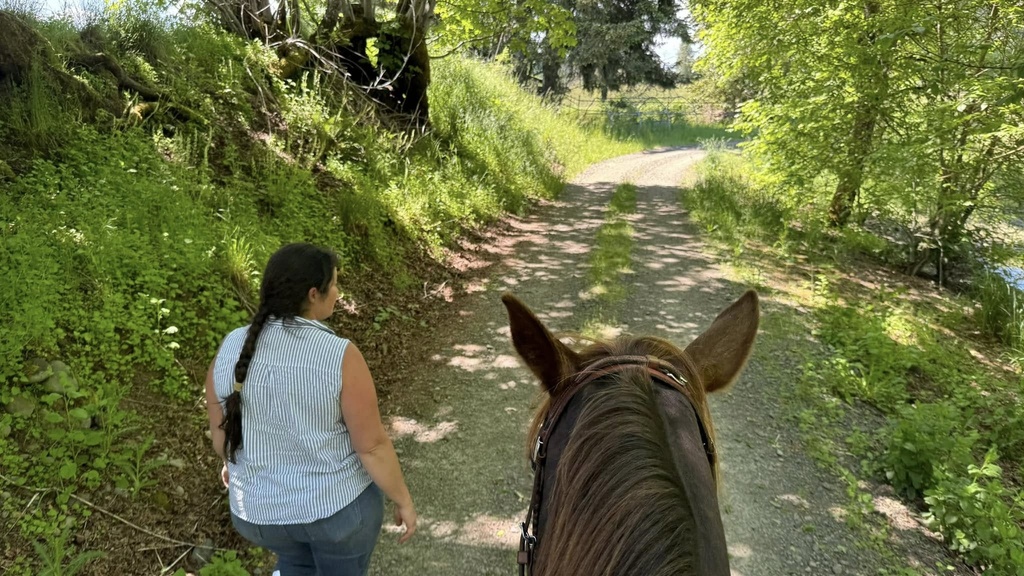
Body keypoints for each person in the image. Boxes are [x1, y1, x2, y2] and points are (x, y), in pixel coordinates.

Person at [204, 242, 416, 576]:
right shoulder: (338, 355)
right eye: (335, 284)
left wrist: (236, 465)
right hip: (334, 516)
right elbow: (372, 447)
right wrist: (402, 498)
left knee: (295, 561)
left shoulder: (231, 346)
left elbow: (221, 441)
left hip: (258, 515)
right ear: (314, 293)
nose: (339, 293)